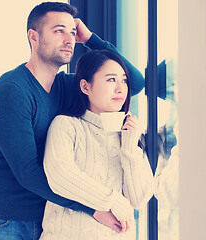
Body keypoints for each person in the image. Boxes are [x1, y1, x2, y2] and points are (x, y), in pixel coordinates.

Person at [0, 2, 145, 239]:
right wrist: (94, 208)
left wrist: (90, 39)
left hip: (42, 219)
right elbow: (28, 172)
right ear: (33, 37)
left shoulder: (65, 86)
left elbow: (135, 83)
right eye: (59, 31)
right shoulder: (13, 90)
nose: (69, 39)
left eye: (72, 32)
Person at [40, 50, 154, 239]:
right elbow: (60, 175)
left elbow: (139, 199)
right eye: (111, 80)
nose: (120, 88)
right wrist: (113, 200)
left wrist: (129, 148)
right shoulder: (66, 125)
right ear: (85, 86)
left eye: (124, 80)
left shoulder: (129, 137)